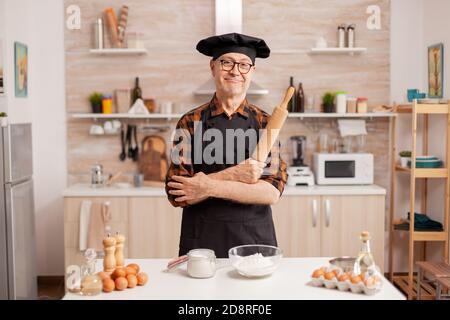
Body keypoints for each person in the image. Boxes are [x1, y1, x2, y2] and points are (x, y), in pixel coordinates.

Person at [165, 33, 287, 258]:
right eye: (226, 62)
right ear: (213, 67)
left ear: (252, 71)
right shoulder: (190, 122)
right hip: (202, 241)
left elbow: (271, 192)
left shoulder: (266, 123)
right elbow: (178, 194)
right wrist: (235, 174)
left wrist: (206, 187)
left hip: (255, 242)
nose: (235, 71)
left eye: (243, 65)